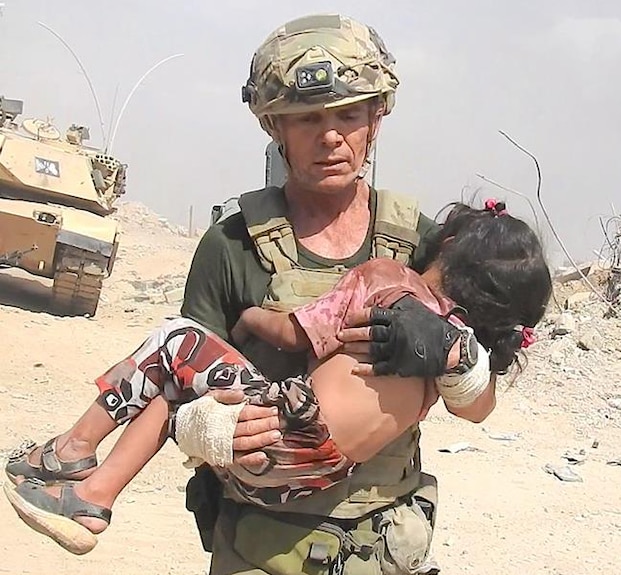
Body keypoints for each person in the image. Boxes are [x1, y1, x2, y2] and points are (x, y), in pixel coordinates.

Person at [2, 13, 508, 575]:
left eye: (348, 114)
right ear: (275, 128)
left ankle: (74, 462)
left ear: (376, 120)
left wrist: (455, 357)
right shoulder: (232, 245)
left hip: (382, 544)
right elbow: (173, 392)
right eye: (306, 118)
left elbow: (479, 406)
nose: (331, 135)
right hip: (260, 546)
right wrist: (212, 430)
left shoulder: (420, 246)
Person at [5, 200, 551, 558]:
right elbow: (472, 400)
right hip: (308, 479)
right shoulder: (450, 350)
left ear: (450, 245)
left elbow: (298, 333)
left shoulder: (389, 279)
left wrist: (248, 318)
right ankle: (89, 498)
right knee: (176, 398)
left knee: (176, 342)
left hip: (283, 431)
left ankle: (74, 456)